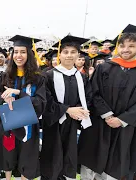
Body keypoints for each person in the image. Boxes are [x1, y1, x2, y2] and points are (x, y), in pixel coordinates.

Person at [78, 24, 136, 180]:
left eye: (131, 46)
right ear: (118, 47)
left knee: (117, 163)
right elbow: (93, 92)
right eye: (123, 46)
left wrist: (122, 119)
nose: (126, 49)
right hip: (101, 123)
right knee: (93, 159)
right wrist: (107, 115)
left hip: (127, 126)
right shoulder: (105, 67)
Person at [0, 35, 47, 180]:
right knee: (7, 155)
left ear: (29, 54)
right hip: (8, 123)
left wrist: (19, 93)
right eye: (15, 52)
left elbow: (41, 102)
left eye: (22, 52)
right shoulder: (6, 76)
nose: (18, 56)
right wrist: (4, 98)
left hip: (28, 125)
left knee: (27, 157)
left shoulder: (38, 78)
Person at [40, 35, 92, 180]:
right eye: (66, 52)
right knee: (52, 157)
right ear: (60, 55)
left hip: (73, 123)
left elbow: (88, 97)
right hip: (54, 124)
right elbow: (46, 100)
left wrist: (80, 111)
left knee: (69, 155)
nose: (69, 55)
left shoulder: (82, 77)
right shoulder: (48, 75)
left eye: (73, 52)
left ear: (78, 55)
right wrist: (68, 110)